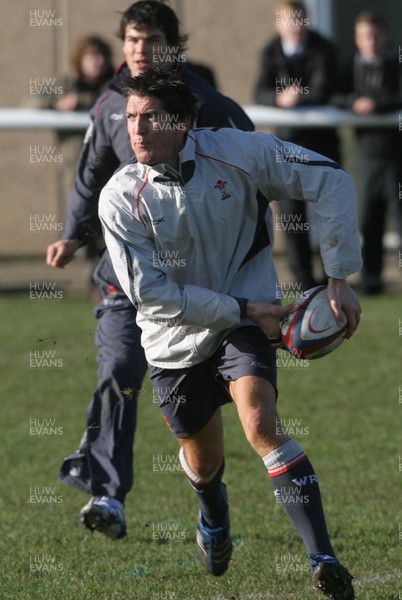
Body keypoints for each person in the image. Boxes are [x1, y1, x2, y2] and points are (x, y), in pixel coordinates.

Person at [99, 66, 360, 598]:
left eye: (151, 117)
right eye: (130, 117)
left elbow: (330, 177)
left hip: (247, 323)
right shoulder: (121, 198)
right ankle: (213, 515)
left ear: (186, 120)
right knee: (206, 463)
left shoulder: (240, 153)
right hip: (173, 338)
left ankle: (323, 559)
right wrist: (241, 306)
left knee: (262, 425)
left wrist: (338, 278)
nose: (137, 130)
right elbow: (154, 298)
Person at [46, 0, 254, 540]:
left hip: (195, 287)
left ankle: (211, 495)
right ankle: (107, 494)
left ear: (173, 45)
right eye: (133, 40)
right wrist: (72, 233)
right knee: (119, 372)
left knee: (208, 404)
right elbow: (91, 174)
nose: (141, 50)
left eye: (152, 40)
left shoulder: (210, 106)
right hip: (123, 277)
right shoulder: (110, 104)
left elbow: (254, 169)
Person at [254, 1, 341, 290]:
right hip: (286, 147)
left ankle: (334, 277)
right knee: (291, 218)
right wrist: (280, 99)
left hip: (321, 146)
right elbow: (260, 91)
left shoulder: (323, 48)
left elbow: (326, 88)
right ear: (279, 23)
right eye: (289, 19)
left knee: (329, 214)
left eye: (300, 19)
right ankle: (304, 281)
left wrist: (299, 97)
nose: (295, 25)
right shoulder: (270, 50)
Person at [332, 11, 402, 295]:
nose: (370, 41)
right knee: (369, 218)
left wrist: (376, 105)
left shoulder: (396, 64)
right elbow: (335, 96)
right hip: (366, 155)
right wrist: (354, 103)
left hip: (397, 155)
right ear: (357, 40)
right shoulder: (350, 66)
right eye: (364, 36)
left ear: (383, 37)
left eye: (375, 35)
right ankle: (372, 280)